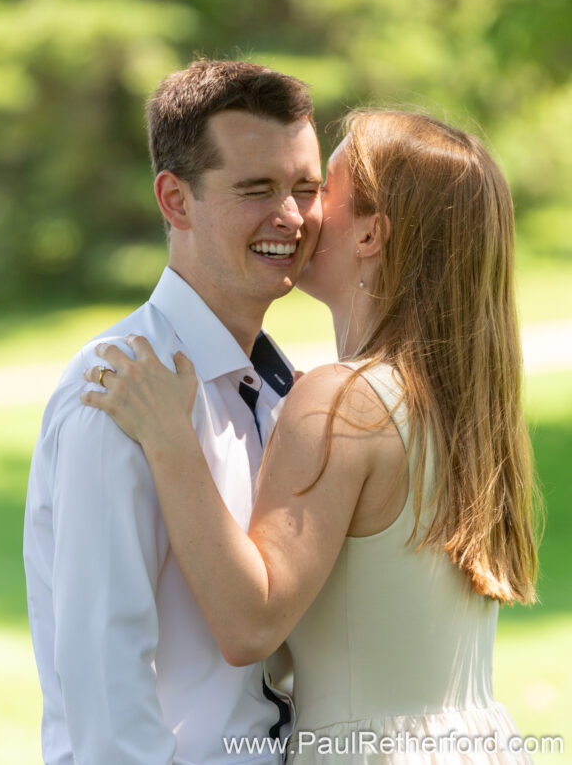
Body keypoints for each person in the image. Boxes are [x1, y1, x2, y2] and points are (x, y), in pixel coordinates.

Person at [83, 110, 540, 763]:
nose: (298, 213)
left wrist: (169, 440)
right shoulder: (458, 399)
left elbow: (251, 623)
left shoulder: (339, 401)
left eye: (320, 189)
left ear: (371, 235)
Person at [23, 59, 324, 764]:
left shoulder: (283, 387)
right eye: (257, 189)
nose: (291, 216)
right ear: (175, 200)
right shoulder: (116, 392)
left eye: (306, 188)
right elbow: (106, 691)